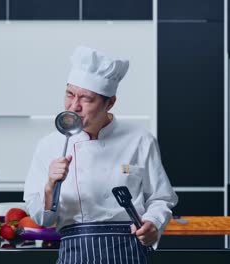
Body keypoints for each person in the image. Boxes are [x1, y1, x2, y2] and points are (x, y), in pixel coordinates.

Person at [24, 46, 178, 263]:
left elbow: (161, 198)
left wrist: (153, 223)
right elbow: (44, 219)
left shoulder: (140, 139)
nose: (74, 106)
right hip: (75, 253)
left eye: (86, 99)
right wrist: (50, 186)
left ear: (110, 102)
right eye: (70, 94)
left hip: (129, 251)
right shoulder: (49, 145)